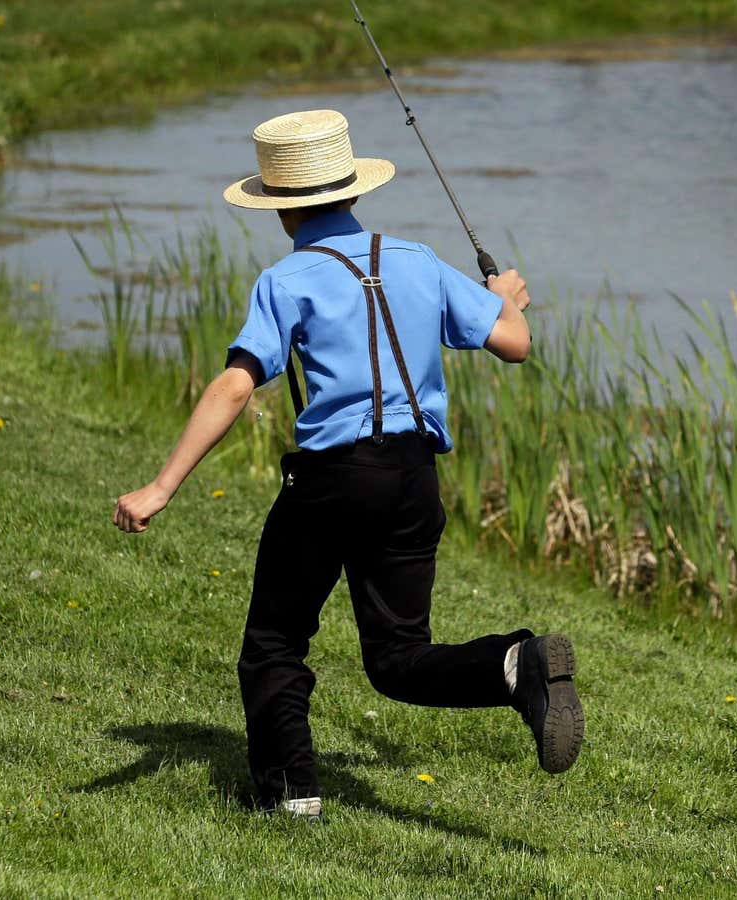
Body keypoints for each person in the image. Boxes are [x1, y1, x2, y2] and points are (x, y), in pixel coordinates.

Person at [111, 109, 583, 821]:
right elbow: (513, 343)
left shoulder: (286, 279)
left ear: (281, 208)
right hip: (414, 477)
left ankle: (290, 796)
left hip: (333, 480)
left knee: (274, 642)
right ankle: (517, 666)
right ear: (354, 191)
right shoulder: (419, 260)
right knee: (397, 658)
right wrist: (501, 299)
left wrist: (160, 486)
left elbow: (238, 383)